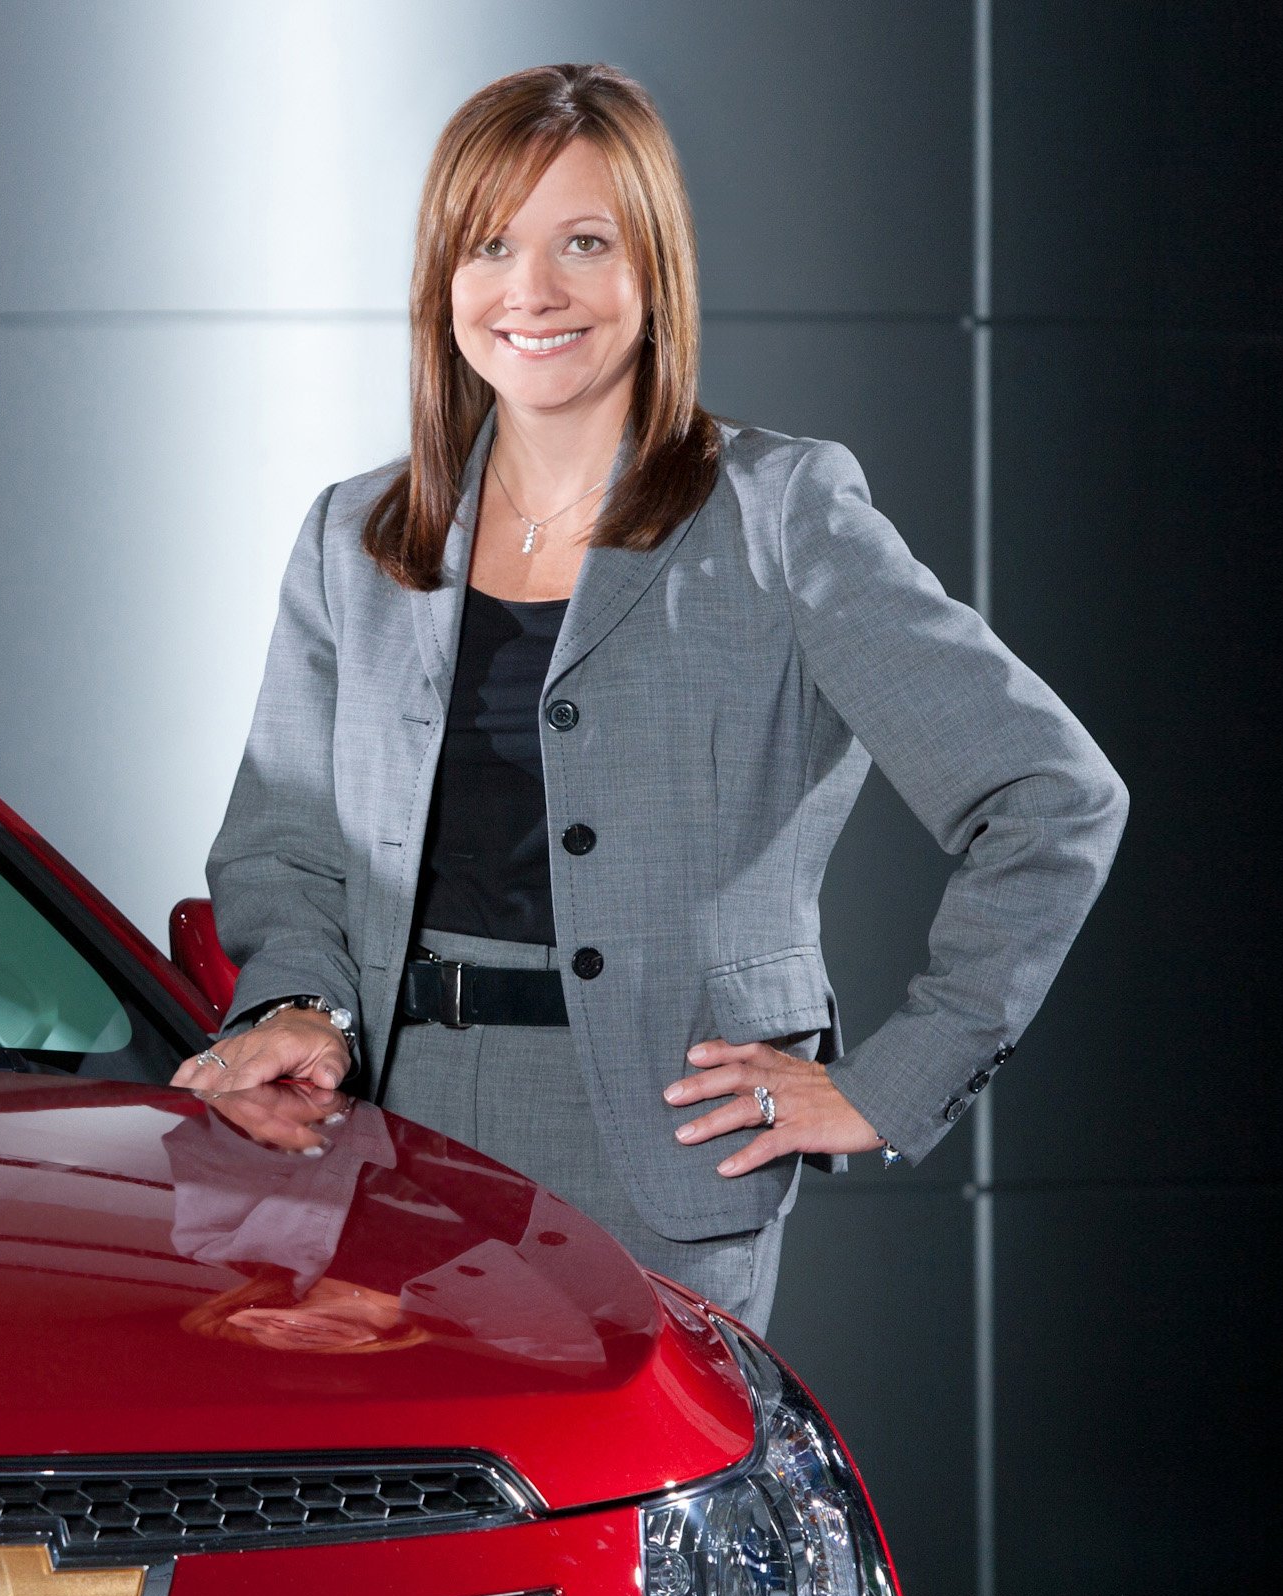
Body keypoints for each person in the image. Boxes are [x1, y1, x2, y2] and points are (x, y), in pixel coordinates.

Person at [174, 62, 1126, 1330]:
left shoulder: (782, 513)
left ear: (651, 273)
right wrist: (302, 1001)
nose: (532, 290)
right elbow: (287, 841)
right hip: (381, 1137)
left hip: (656, 1150)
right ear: (442, 282)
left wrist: (897, 1080)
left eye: (584, 242)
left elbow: (1052, 798)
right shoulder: (355, 534)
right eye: (492, 244)